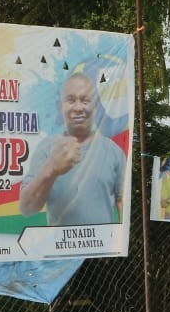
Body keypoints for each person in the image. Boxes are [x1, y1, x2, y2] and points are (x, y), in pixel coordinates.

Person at [20, 72, 125, 225]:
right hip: (59, 246)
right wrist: (51, 168)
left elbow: (122, 201)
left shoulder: (114, 152)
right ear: (60, 106)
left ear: (95, 106)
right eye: (70, 100)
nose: (78, 108)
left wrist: (121, 245)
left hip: (103, 248)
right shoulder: (46, 149)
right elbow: (26, 208)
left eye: (85, 100)